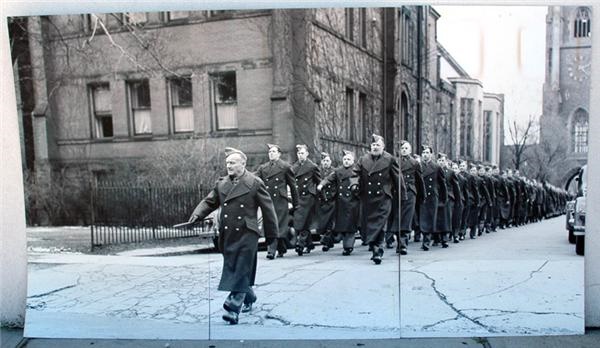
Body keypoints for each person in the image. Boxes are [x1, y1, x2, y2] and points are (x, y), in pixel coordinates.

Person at [188, 147, 278, 325]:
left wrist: (272, 235)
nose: (228, 166)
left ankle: (232, 308)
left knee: (241, 267)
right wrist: (198, 214)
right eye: (227, 163)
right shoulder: (221, 184)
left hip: (247, 233)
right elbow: (210, 201)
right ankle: (249, 296)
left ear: (243, 164)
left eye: (232, 162)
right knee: (236, 268)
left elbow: (269, 210)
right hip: (227, 233)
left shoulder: (254, 182)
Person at [352, 134, 400, 264]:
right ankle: (374, 246)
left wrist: (402, 194)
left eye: (378, 145)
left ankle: (378, 250)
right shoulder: (363, 159)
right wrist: (354, 184)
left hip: (383, 197)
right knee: (368, 225)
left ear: (383, 146)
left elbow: (397, 178)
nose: (375, 147)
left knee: (380, 224)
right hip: (367, 197)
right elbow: (355, 173)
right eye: (373, 145)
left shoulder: (389, 159)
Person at [255, 144, 299, 259]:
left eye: (274, 151)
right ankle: (281, 247)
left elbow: (293, 186)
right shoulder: (263, 168)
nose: (271, 153)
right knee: (270, 224)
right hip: (267, 200)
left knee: (277, 224)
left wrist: (296, 203)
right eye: (270, 151)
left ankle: (271, 251)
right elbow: (254, 179)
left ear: (279, 154)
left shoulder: (285, 167)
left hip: (280, 201)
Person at [318, 150, 360, 255]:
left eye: (348, 159)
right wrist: (322, 184)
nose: (346, 161)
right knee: (342, 225)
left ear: (353, 160)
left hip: (352, 201)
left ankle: (348, 246)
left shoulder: (356, 171)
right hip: (341, 202)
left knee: (350, 226)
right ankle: (345, 244)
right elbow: (329, 178)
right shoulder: (338, 171)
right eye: (345, 159)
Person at [292, 144, 321, 255]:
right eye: (299, 153)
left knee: (304, 220)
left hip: (308, 196)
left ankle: (300, 244)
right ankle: (309, 243)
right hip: (298, 197)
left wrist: (319, 195)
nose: (300, 155)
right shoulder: (294, 167)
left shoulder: (312, 166)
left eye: (302, 153)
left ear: (307, 154)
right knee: (302, 222)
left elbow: (319, 181)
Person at [418, 146, 447, 251]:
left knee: (429, 218)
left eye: (427, 153)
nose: (425, 155)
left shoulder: (436, 167)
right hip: (421, 196)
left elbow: (442, 184)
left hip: (432, 196)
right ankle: (424, 238)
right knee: (421, 218)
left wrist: (443, 199)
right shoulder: (418, 166)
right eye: (423, 153)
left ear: (431, 154)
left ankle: (426, 240)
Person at [397, 140, 424, 255]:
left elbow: (420, 180)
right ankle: (399, 241)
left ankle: (403, 244)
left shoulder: (415, 163)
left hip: (410, 193)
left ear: (410, 150)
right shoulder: (395, 162)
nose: (404, 150)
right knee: (398, 218)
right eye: (402, 148)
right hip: (397, 193)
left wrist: (422, 194)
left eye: (406, 148)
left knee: (406, 219)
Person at [317, 152, 337, 251]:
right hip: (321, 200)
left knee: (330, 222)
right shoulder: (318, 171)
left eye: (327, 161)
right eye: (324, 161)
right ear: (321, 162)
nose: (326, 163)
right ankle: (329, 241)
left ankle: (326, 242)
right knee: (323, 223)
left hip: (331, 199)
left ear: (331, 162)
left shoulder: (334, 171)